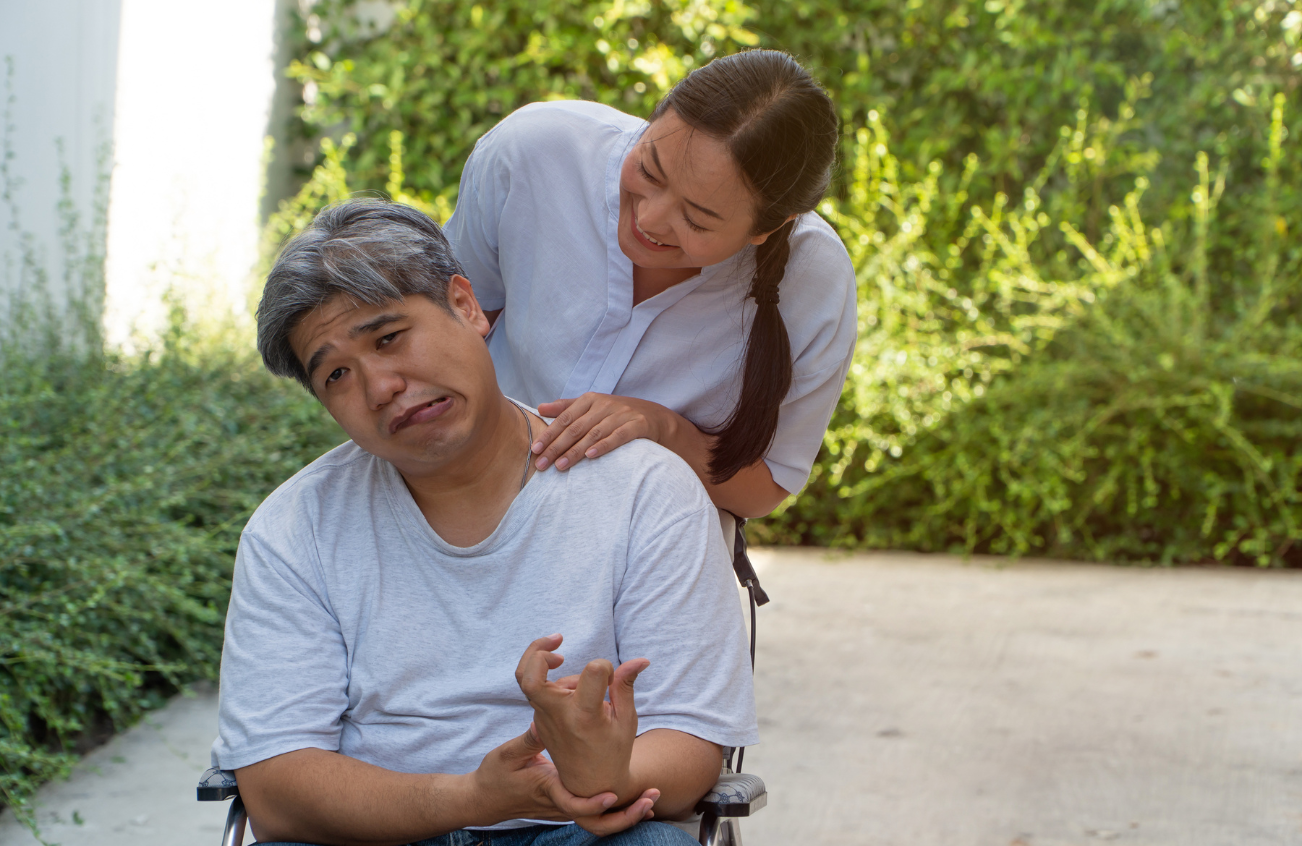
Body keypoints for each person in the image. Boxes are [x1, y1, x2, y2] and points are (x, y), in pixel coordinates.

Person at [211, 201, 757, 846]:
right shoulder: (293, 531)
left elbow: (691, 741)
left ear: (467, 307)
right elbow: (276, 788)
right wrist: (473, 798)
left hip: (587, 827)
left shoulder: (644, 491)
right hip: (376, 832)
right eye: (336, 374)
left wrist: (600, 773)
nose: (380, 386)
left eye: (388, 338)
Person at [445, 49, 856, 522]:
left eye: (697, 221)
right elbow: (449, 328)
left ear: (768, 228)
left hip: (649, 567)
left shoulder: (815, 280)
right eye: (649, 170)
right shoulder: (534, 153)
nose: (649, 218)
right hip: (465, 517)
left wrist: (664, 429)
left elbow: (763, 489)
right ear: (655, 117)